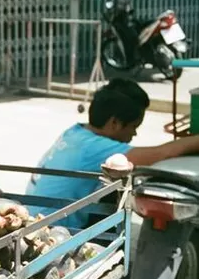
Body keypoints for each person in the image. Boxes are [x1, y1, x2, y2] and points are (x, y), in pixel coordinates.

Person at [26, 78, 199, 228]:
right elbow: (163, 154)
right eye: (133, 127)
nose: (134, 134)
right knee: (122, 194)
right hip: (52, 231)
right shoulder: (94, 148)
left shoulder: (75, 132)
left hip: (32, 217)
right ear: (115, 123)